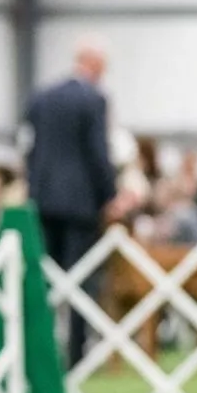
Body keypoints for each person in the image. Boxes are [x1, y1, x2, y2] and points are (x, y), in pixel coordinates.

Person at [24, 43, 117, 369]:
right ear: (93, 64)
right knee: (79, 280)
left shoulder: (41, 97)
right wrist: (110, 195)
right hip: (80, 205)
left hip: (43, 199)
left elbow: (31, 150)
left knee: (43, 278)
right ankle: (76, 356)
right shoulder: (94, 99)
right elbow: (98, 153)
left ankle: (40, 353)